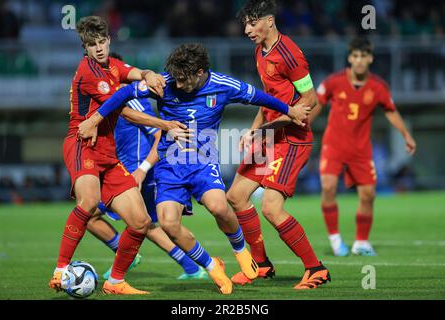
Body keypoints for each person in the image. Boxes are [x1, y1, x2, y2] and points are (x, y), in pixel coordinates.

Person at [78, 43, 310, 294]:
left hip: (203, 160)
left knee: (219, 206)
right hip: (169, 165)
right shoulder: (164, 82)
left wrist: (289, 110)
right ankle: (212, 266)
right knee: (168, 223)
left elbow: (259, 96)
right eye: (175, 79)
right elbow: (122, 96)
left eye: (183, 79)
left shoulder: (223, 85)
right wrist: (95, 119)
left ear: (200, 72)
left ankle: (241, 250)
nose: (177, 85)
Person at [48, 16, 189, 295]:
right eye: (92, 44)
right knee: (88, 203)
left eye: (102, 42)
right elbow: (121, 105)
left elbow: (135, 76)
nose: (99, 48)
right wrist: (164, 123)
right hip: (82, 143)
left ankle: (116, 281)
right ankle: (61, 269)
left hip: (108, 153)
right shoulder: (89, 72)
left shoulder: (112, 65)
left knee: (140, 221)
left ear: (109, 41)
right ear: (84, 47)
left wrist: (148, 73)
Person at [225, 0, 330, 290]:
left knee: (271, 207)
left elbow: (310, 100)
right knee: (236, 196)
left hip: (292, 140)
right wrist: (254, 130)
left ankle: (315, 268)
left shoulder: (290, 53)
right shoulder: (260, 50)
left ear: (269, 21)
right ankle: (261, 265)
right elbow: (268, 99)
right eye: (245, 24)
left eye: (251, 23)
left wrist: (274, 126)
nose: (246, 29)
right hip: (269, 136)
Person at [86, 53, 208, 281]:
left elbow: (160, 135)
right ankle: (191, 267)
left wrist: (142, 169)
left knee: (93, 213)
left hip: (139, 172)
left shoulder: (131, 101)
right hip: (129, 171)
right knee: (146, 223)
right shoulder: (112, 102)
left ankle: (128, 257)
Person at [309, 37, 416, 256]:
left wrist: (406, 134)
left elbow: (390, 110)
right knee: (328, 187)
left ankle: (361, 242)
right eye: (355, 56)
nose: (359, 61)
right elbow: (317, 104)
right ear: (349, 58)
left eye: (363, 56)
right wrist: (303, 126)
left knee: (368, 195)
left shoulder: (378, 87)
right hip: (334, 145)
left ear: (370, 59)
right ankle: (336, 240)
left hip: (360, 150)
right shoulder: (333, 82)